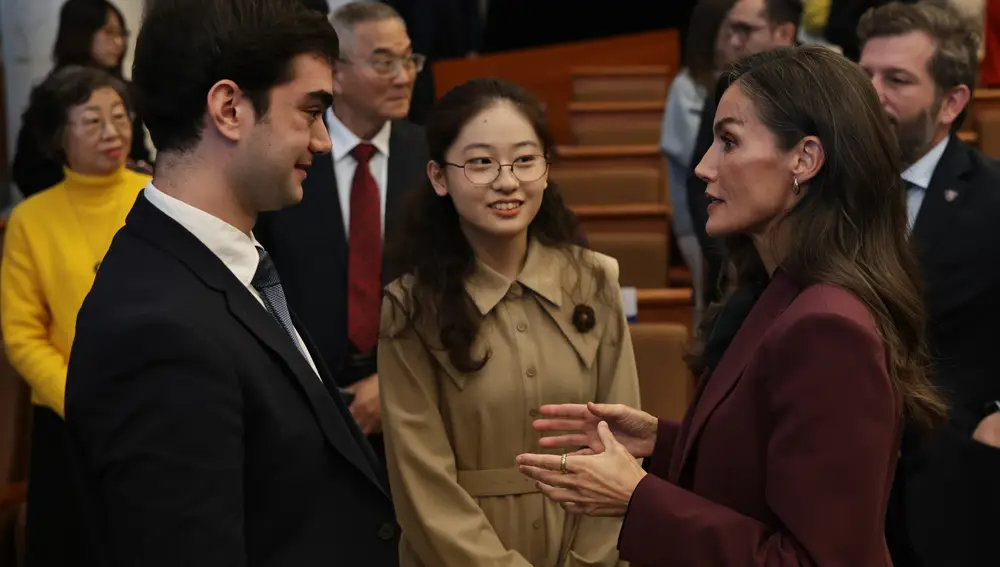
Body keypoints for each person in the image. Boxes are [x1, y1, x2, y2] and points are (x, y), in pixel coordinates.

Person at [516, 45, 948, 566]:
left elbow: (811, 561)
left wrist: (636, 499)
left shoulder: (829, 328)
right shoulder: (783, 292)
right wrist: (661, 443)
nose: (702, 167)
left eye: (729, 142)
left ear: (805, 159)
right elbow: (763, 466)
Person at [63, 0, 398, 565]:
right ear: (229, 109)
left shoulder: (226, 262)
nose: (322, 140)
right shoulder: (157, 329)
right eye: (310, 111)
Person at [378, 77, 641, 567]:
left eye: (525, 160)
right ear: (439, 176)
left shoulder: (596, 280)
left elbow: (621, 455)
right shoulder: (410, 306)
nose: (507, 181)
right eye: (480, 162)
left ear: (546, 169)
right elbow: (422, 483)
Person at [857, 3, 1000, 565]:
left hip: (954, 491)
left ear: (952, 102)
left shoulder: (994, 200)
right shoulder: (818, 190)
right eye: (863, 74)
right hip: (837, 481)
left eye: (896, 80)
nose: (871, 94)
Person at [255, 1, 428, 458]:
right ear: (336, 73)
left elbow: (453, 288)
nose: (404, 75)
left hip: (417, 403)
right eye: (384, 62)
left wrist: (391, 382)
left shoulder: (433, 158)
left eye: (409, 59)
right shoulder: (287, 155)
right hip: (298, 403)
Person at [1, 65, 149, 567]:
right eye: (93, 121)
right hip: (70, 425)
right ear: (59, 137)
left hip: (158, 409)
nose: (114, 132)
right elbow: (22, 334)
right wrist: (81, 398)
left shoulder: (158, 198)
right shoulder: (30, 220)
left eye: (120, 116)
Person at [685, 0, 800, 308]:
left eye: (746, 31)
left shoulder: (821, 100)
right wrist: (727, 255)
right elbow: (697, 191)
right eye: (730, 29)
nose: (734, 42)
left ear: (785, 33)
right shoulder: (725, 92)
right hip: (734, 275)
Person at [11, 0, 152, 198]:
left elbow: (140, 156)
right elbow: (28, 171)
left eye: (122, 34)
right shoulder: (54, 95)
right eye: (109, 33)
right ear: (80, 33)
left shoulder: (125, 91)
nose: (119, 42)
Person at [661, 0, 737, 325]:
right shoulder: (687, 88)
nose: (736, 41)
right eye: (730, 31)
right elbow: (699, 167)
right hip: (695, 219)